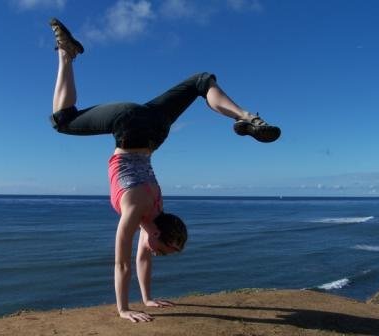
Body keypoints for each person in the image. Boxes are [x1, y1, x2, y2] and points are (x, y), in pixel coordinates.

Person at [49, 18, 281, 323]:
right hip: (130, 125)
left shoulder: (157, 207)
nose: (159, 254)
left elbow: (143, 254)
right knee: (61, 121)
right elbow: (122, 264)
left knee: (201, 81)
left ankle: (246, 116)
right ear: (158, 232)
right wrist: (124, 310)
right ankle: (66, 55)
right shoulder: (136, 209)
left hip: (155, 129)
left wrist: (147, 299)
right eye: (166, 250)